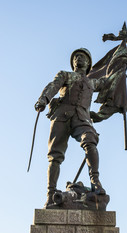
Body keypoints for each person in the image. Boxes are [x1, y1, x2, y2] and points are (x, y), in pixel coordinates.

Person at [35, 48, 107, 208]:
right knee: (55, 155)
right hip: (62, 116)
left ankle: (95, 181)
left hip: (81, 118)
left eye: (82, 57)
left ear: (88, 63)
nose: (78, 59)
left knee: (90, 140)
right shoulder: (65, 75)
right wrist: (43, 99)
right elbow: (53, 86)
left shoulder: (92, 82)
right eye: (76, 57)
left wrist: (121, 61)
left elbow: (110, 82)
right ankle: (50, 194)